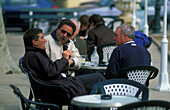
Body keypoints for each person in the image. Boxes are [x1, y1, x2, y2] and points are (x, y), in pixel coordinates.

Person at [22, 28, 106, 104]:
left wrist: (66, 61)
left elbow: (49, 70)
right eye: (41, 38)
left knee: (94, 78)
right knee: (98, 77)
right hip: (56, 89)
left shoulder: (33, 55)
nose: (44, 40)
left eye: (69, 34)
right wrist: (64, 59)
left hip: (55, 86)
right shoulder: (34, 56)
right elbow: (51, 71)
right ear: (34, 42)